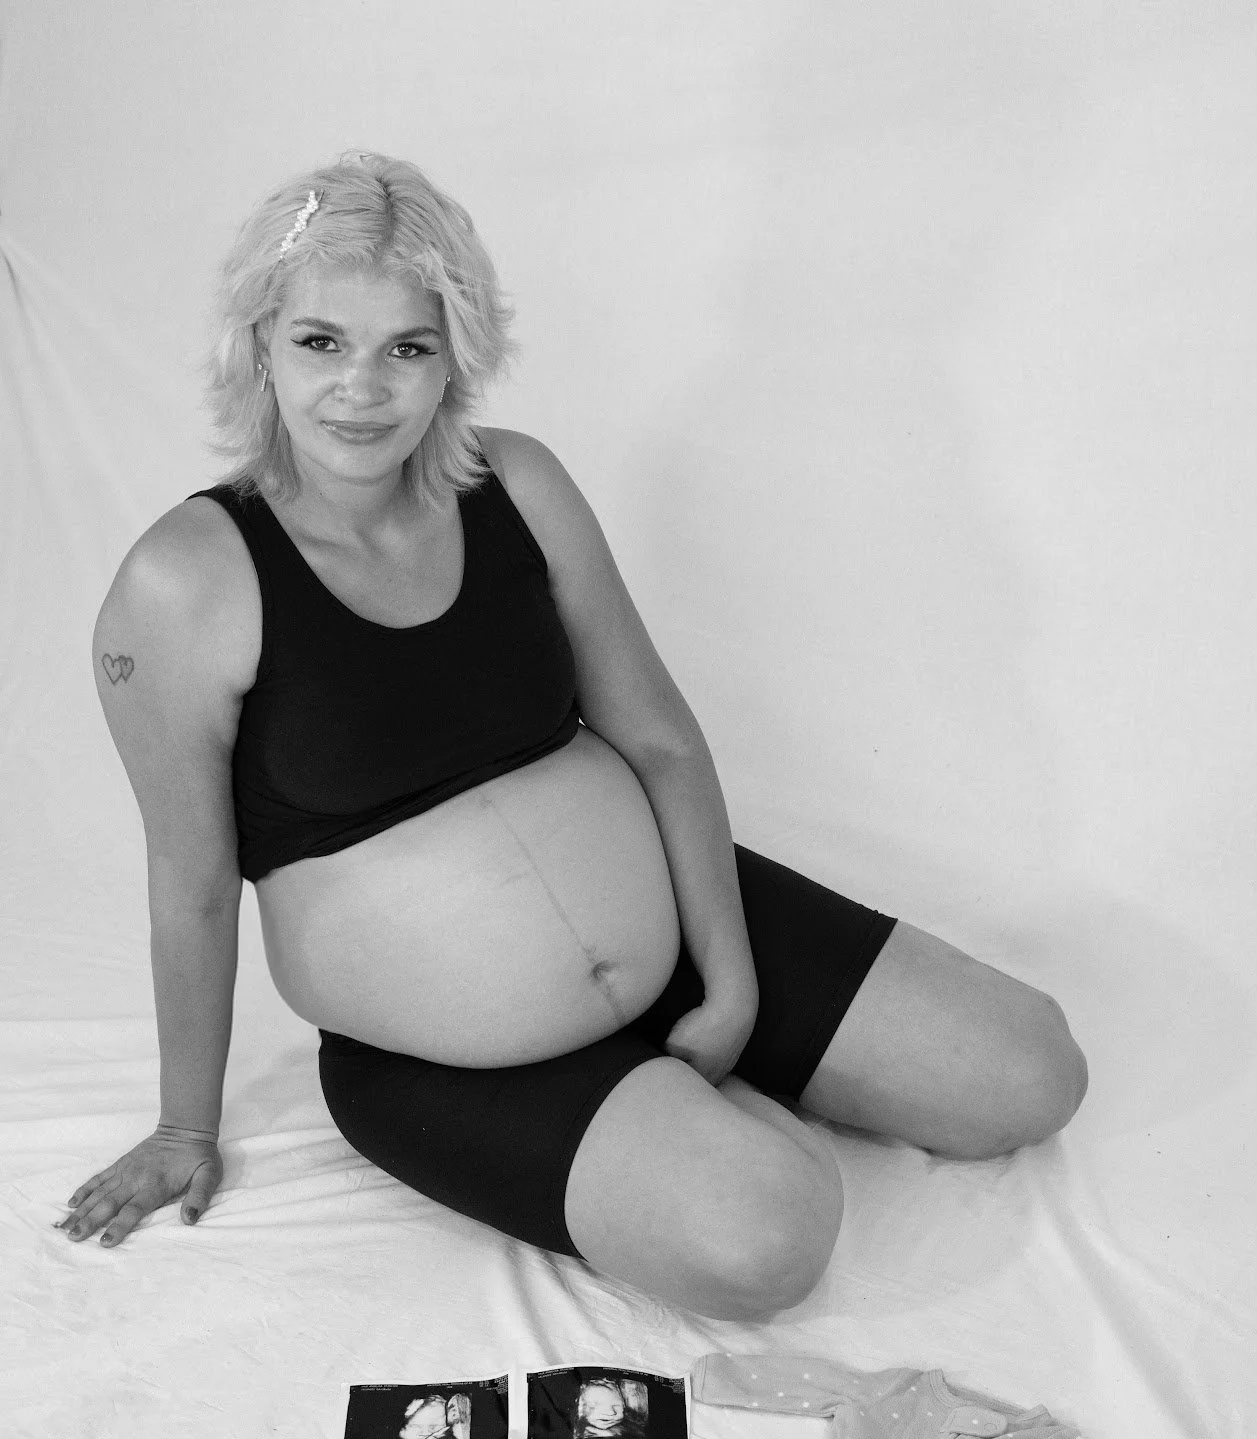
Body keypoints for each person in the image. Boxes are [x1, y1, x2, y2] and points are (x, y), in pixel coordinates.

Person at [57, 152, 1088, 1320]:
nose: (363, 388)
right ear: (257, 344)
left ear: (456, 353)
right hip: (437, 1054)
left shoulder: (521, 483)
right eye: (320, 342)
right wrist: (183, 1123)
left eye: (409, 345)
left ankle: (694, 1072)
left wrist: (732, 977)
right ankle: (683, 1116)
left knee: (1030, 1074)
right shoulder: (183, 585)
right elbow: (189, 882)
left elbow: (657, 740)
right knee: (767, 1244)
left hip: (677, 921)